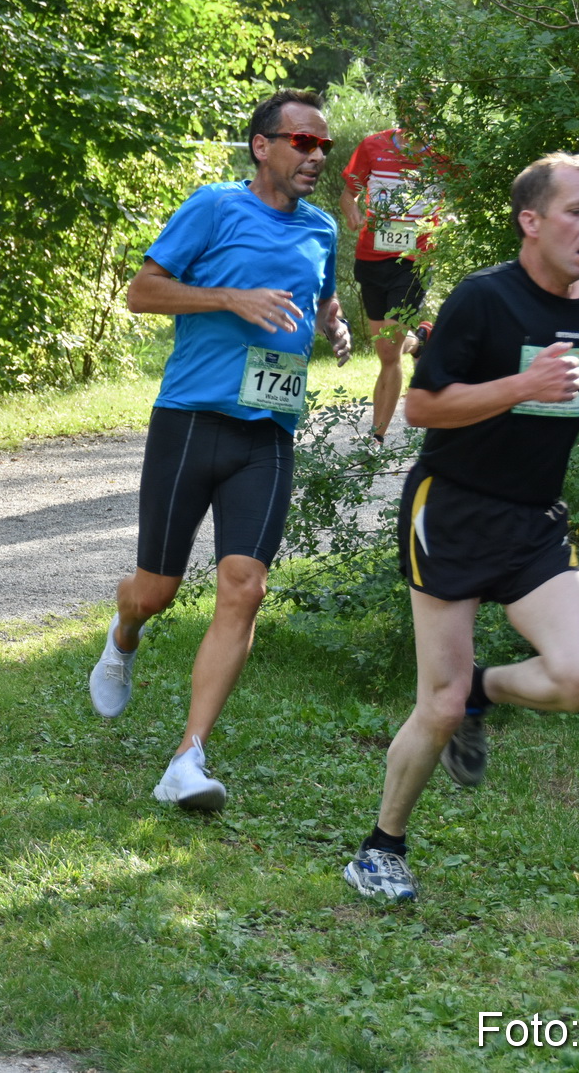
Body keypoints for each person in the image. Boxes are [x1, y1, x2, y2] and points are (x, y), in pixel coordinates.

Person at [342, 152, 579, 900]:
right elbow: (422, 407)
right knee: (434, 704)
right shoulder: (482, 299)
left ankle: (482, 691)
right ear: (531, 221)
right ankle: (379, 850)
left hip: (534, 517)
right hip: (453, 509)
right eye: (577, 210)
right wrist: (522, 386)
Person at [87, 89, 353, 811]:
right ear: (262, 145)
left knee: (245, 585)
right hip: (191, 419)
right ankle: (125, 630)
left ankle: (188, 756)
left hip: (268, 431)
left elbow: (319, 298)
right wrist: (231, 297)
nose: (316, 156)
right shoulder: (213, 206)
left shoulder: (322, 228)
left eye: (323, 146)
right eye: (303, 141)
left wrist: (332, 325)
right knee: (157, 591)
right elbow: (143, 292)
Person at [339, 125, 447, 445]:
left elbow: (469, 192)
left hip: (414, 261)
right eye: (411, 107)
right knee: (385, 346)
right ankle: (420, 342)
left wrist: (450, 224)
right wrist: (352, 212)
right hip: (371, 259)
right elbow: (348, 195)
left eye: (426, 109)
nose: (419, 116)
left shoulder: (444, 152)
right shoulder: (373, 146)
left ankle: (377, 438)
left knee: (388, 351)